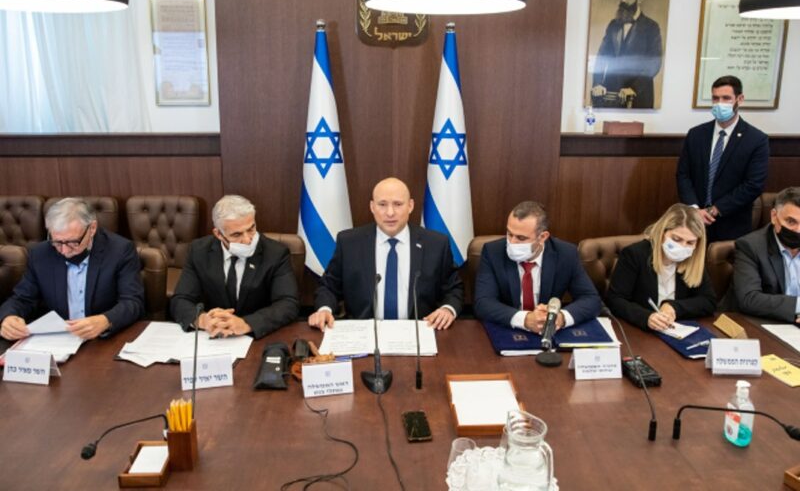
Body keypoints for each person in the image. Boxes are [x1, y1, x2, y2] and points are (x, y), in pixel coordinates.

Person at [308, 177, 463, 331]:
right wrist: (324, 310)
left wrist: (447, 309)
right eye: (382, 204)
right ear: (372, 207)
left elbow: (453, 288)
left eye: (398, 204)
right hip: (364, 335)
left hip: (420, 333)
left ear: (410, 206)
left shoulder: (435, 244)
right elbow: (328, 287)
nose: (390, 213)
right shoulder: (349, 243)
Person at [0, 198, 144, 341]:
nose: (64, 250)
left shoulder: (120, 251)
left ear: (92, 228)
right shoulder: (40, 253)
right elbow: (23, 298)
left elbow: (132, 302)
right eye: (57, 242)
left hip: (102, 340)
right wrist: (8, 318)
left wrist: (105, 320)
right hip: (58, 340)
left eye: (73, 242)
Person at [171, 195, 299, 339]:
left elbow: (288, 304)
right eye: (237, 234)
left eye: (251, 229)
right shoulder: (199, 251)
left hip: (257, 338)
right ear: (218, 234)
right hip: (213, 338)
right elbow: (180, 300)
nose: (247, 240)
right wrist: (203, 320)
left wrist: (246, 323)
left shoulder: (276, 253)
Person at [473, 201, 600, 333]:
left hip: (549, 334)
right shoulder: (493, 252)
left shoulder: (565, 254)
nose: (511, 242)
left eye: (521, 238)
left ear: (542, 237)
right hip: (509, 330)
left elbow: (591, 300)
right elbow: (483, 303)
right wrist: (525, 319)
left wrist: (559, 318)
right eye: (509, 234)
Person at [676, 75, 769, 243]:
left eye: (726, 98)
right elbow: (683, 175)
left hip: (732, 225)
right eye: (715, 98)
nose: (720, 103)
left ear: (739, 99)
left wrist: (716, 209)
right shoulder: (696, 134)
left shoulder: (756, 139)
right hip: (692, 222)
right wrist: (695, 209)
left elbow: (753, 184)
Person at [606, 204, 716, 331]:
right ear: (662, 233)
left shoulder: (693, 260)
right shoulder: (635, 254)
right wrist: (647, 317)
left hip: (676, 331)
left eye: (690, 242)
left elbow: (709, 302)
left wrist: (674, 307)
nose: (682, 246)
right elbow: (615, 300)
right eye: (676, 239)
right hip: (640, 332)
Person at [729, 187, 800, 324]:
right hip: (760, 325)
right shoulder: (750, 246)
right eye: (791, 222)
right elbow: (749, 299)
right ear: (774, 216)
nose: (798, 230)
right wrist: (797, 306)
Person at [590, 0, 663, 109]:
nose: (623, 0)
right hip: (611, 94)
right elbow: (602, 57)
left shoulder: (652, 27)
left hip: (639, 95)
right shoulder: (613, 25)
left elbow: (653, 64)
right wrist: (598, 83)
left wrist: (633, 88)